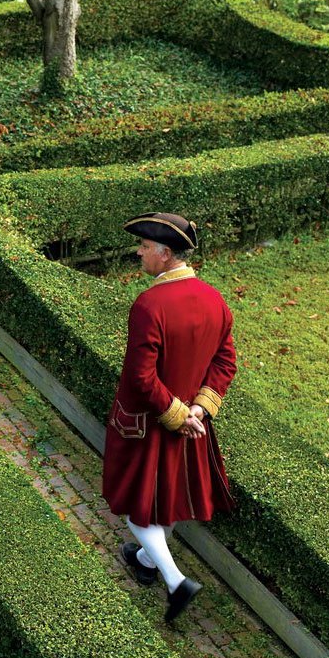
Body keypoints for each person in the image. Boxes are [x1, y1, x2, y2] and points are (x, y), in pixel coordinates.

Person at [101, 211, 237, 624]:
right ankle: (144, 559)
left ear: (163, 254)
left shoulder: (149, 304)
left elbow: (141, 378)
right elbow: (226, 361)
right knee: (168, 500)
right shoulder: (215, 299)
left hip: (145, 422)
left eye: (144, 247)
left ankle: (176, 581)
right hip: (190, 424)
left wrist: (176, 414)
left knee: (136, 506)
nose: (138, 253)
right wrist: (199, 408)